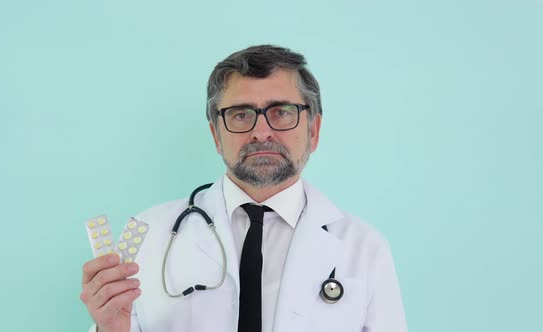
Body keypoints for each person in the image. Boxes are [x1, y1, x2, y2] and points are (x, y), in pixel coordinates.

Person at [80, 45, 407, 332]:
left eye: (281, 112)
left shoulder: (365, 248)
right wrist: (109, 329)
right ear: (215, 134)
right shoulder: (150, 234)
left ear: (314, 129)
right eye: (241, 115)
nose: (261, 132)